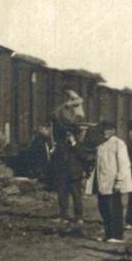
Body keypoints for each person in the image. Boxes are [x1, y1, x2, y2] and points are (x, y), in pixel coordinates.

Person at [93, 121, 132, 242]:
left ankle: (117, 235)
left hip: (113, 183)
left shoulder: (119, 144)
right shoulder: (101, 145)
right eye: (104, 130)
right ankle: (108, 234)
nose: (105, 132)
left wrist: (119, 181)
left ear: (113, 131)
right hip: (103, 183)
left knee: (114, 209)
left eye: (108, 129)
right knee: (103, 208)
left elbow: (124, 164)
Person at [51, 96, 88, 226]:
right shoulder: (61, 143)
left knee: (76, 195)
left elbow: (82, 155)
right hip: (63, 171)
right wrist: (66, 105)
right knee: (62, 194)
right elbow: (55, 116)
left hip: (74, 172)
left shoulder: (78, 143)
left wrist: (73, 142)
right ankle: (64, 215)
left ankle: (79, 217)